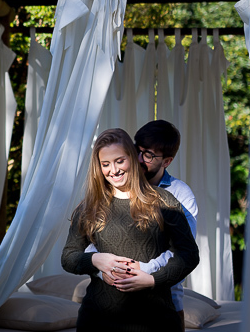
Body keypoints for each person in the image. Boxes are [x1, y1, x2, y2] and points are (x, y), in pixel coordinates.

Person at [61, 128, 199, 332]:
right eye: (105, 164)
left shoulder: (164, 201)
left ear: (133, 158)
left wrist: (151, 280)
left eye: (119, 161)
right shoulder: (89, 207)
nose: (113, 170)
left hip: (155, 321)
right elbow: (68, 257)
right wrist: (95, 261)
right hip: (97, 321)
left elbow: (188, 255)